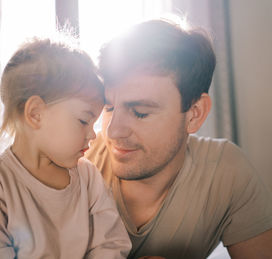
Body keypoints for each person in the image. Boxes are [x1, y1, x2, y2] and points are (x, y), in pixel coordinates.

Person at [0, 38, 131, 259]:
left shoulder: (88, 176)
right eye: (83, 121)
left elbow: (111, 242)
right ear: (35, 114)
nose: (93, 134)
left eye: (94, 124)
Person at [85, 19, 272, 259]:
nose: (112, 132)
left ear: (195, 114)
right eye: (109, 108)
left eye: (140, 112)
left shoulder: (226, 172)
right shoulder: (77, 164)